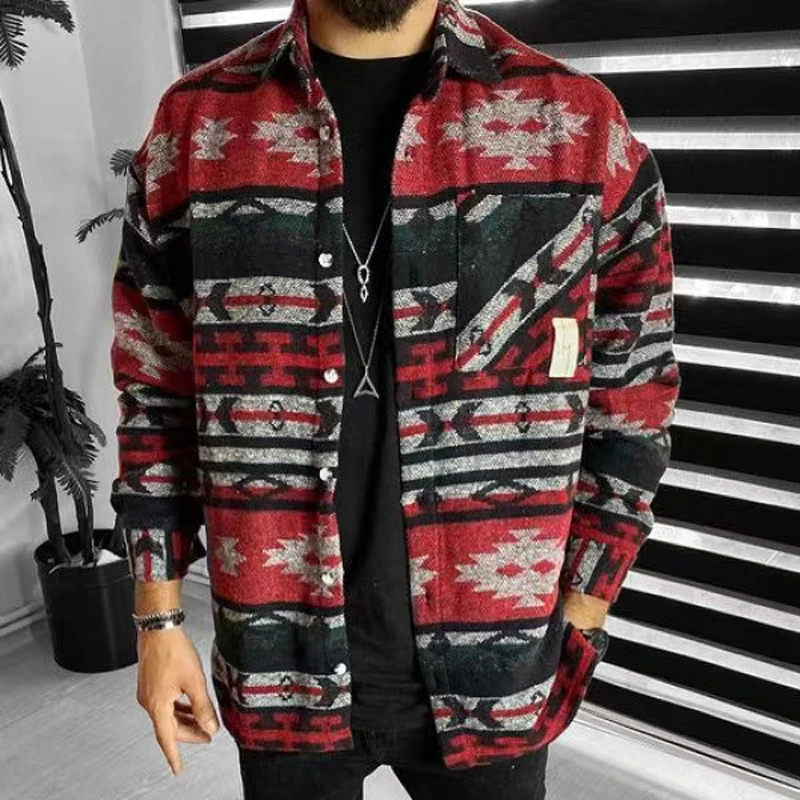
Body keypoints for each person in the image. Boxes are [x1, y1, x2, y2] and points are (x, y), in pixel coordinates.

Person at [110, 0, 680, 797]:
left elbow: (633, 399)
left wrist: (584, 610)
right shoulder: (198, 129)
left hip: (497, 673)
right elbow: (156, 396)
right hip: (282, 670)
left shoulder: (576, 126)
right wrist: (157, 617)